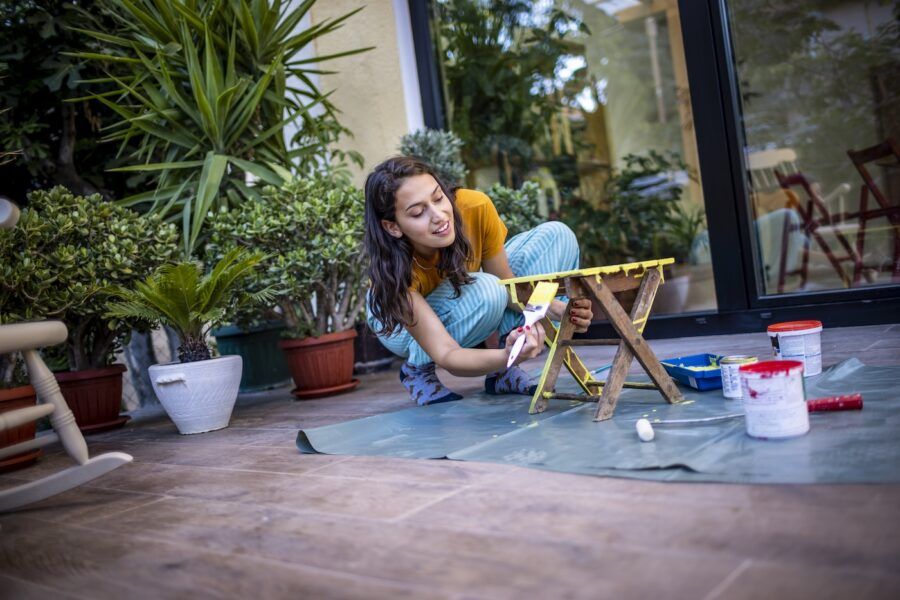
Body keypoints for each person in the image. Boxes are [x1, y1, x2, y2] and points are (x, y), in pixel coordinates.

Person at [364, 156, 593, 406]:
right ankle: (417, 370)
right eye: (418, 212)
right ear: (393, 227)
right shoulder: (394, 273)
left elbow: (509, 286)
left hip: (468, 289)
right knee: (487, 290)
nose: (439, 215)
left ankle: (502, 374)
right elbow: (448, 355)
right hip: (394, 323)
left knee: (556, 236)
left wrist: (557, 309)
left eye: (439, 198)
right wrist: (509, 355)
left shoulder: (474, 206)